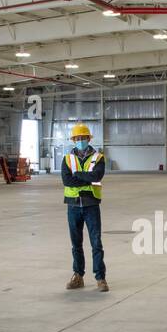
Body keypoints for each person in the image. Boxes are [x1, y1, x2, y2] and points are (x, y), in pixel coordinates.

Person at [61, 123, 108, 292]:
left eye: (83, 138)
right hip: (73, 205)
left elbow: (97, 175)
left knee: (96, 243)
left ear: (89, 139)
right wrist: (86, 178)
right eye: (77, 138)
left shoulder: (98, 157)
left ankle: (100, 278)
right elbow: (67, 181)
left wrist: (78, 175)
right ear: (74, 140)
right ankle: (78, 276)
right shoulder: (68, 159)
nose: (80, 141)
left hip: (91, 204)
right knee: (76, 244)